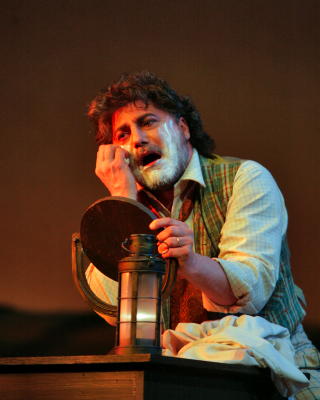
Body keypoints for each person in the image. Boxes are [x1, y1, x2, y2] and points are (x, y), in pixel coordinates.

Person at [86, 71, 319, 399]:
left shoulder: (244, 178)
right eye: (122, 134)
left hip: (276, 369)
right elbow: (113, 310)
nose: (136, 139)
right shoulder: (121, 207)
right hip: (176, 376)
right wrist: (122, 207)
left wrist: (191, 262)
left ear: (182, 128)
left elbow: (251, 292)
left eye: (148, 122)